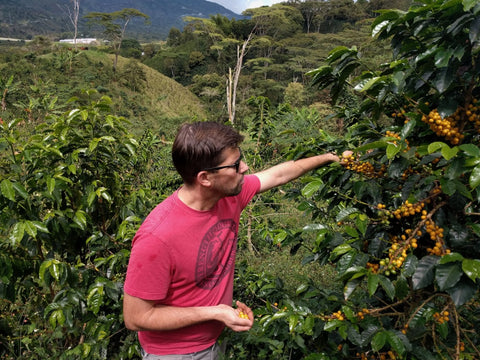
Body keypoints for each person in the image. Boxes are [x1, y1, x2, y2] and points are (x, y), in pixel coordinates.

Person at [123, 121, 348, 359]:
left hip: (213, 343)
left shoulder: (228, 196)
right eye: (235, 165)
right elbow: (136, 317)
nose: (245, 167)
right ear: (205, 178)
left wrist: (329, 157)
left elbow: (279, 174)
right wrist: (215, 312)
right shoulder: (157, 237)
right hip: (174, 354)